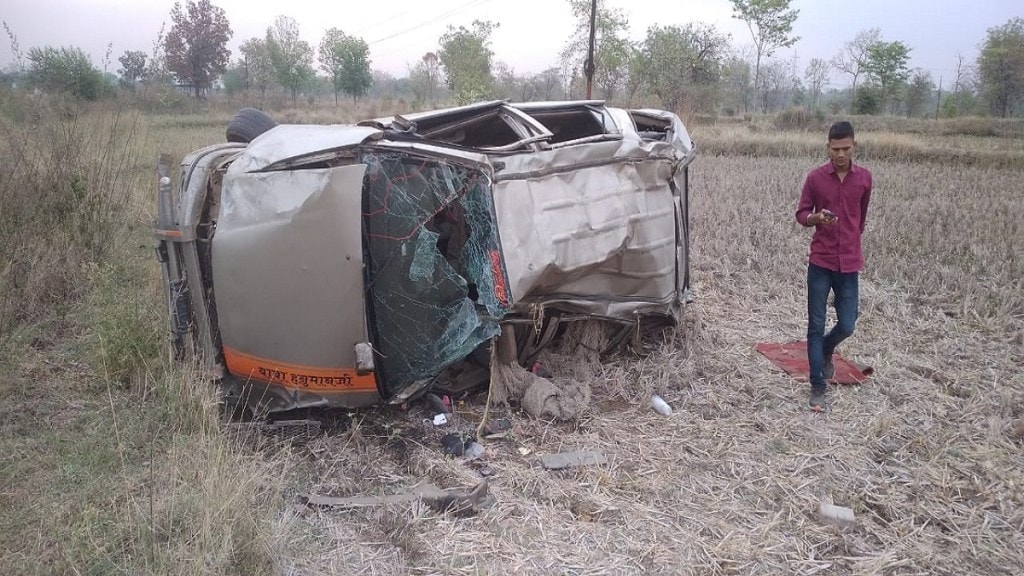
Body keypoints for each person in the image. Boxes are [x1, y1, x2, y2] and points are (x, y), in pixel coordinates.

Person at [795, 121, 872, 412]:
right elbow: (802, 214)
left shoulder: (864, 179)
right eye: (835, 148)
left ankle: (827, 349)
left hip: (849, 262)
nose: (840, 154)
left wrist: (850, 241)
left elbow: (860, 219)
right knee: (815, 325)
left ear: (854, 146)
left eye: (846, 148)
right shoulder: (815, 179)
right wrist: (816, 218)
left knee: (848, 323)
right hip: (821, 261)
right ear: (827, 147)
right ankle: (817, 385)